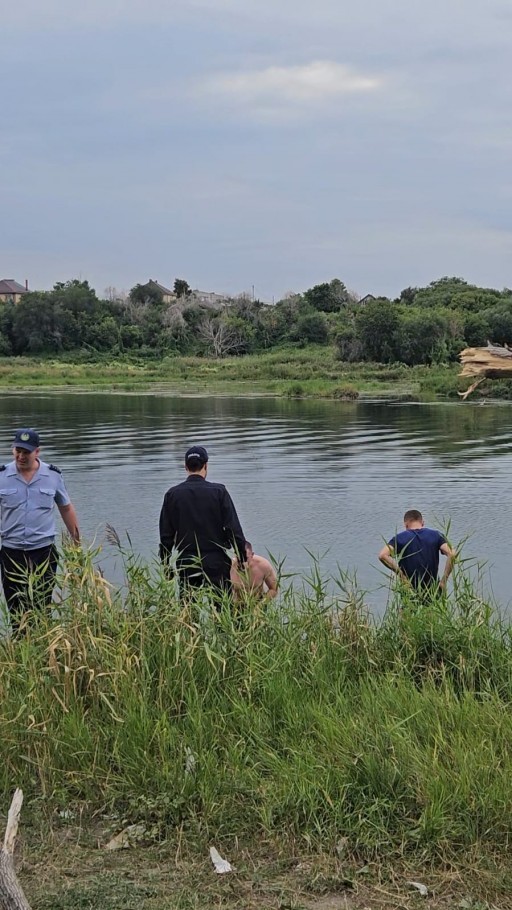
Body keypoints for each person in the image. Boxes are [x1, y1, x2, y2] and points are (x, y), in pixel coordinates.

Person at [0, 428, 80, 632]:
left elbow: (66, 507)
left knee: (42, 605)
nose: (21, 456)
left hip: (43, 552)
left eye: (26, 452)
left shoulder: (52, 475)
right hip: (12, 552)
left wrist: (76, 542)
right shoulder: (2, 475)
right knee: (16, 608)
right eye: (17, 450)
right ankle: (19, 650)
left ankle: (44, 648)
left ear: (37, 451)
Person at [159, 445, 246, 596]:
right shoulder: (219, 492)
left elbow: (166, 535)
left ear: (185, 467)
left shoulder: (172, 495)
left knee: (189, 609)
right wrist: (241, 557)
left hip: (187, 560)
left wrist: (166, 564)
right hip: (216, 560)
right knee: (222, 608)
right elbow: (233, 528)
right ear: (206, 465)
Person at [378, 509, 455, 591]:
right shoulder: (436, 535)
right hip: (433, 589)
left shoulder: (399, 538)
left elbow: (382, 555)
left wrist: (402, 576)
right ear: (422, 522)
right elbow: (452, 553)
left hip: (409, 589)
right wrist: (444, 581)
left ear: (405, 524)